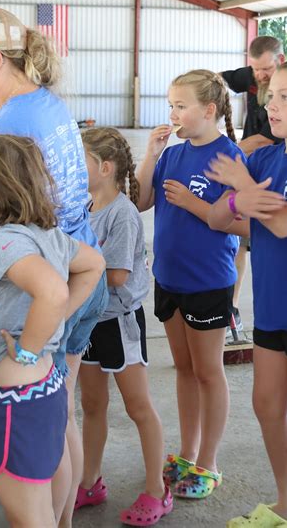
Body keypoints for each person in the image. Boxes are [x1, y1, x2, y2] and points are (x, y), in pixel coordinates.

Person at [0, 7, 108, 526]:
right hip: (77, 264)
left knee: (41, 417)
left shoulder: (4, 130)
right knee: (58, 411)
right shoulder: (48, 103)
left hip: (40, 284)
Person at [0, 134, 104, 528]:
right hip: (42, 389)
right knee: (40, 503)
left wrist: (28, 349)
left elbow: (51, 291)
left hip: (12, 399)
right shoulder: (45, 234)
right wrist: (56, 321)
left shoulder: (5, 240)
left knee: (27, 517)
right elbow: (92, 264)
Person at [207, 58, 287, 528]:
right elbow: (219, 220)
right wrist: (240, 198)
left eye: (285, 97)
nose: (270, 105)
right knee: (266, 405)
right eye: (269, 94)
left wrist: (241, 189)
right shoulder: (263, 159)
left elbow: (284, 223)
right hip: (272, 308)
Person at [137, 69, 244, 500]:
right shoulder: (173, 154)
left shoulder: (230, 157)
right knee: (183, 369)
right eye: (171, 105)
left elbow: (238, 222)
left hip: (208, 280)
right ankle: (188, 450)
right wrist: (151, 153)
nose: (174, 113)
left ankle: (210, 462)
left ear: (209, 110)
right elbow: (141, 201)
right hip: (169, 276)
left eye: (181, 105)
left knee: (208, 371)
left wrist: (193, 203)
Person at [77, 127, 172, 526]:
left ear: (105, 166)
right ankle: (90, 481)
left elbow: (116, 275)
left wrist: (69, 270)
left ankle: (157, 489)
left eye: (80, 161)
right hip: (88, 321)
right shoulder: (85, 205)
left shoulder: (122, 212)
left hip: (118, 324)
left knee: (138, 407)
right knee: (92, 406)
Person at [221, 36, 284, 330]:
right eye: (255, 69)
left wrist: (226, 150)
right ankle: (231, 307)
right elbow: (215, 80)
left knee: (268, 239)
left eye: (266, 70)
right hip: (250, 168)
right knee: (240, 244)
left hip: (276, 169)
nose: (260, 76)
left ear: (280, 61)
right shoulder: (250, 75)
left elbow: (263, 139)